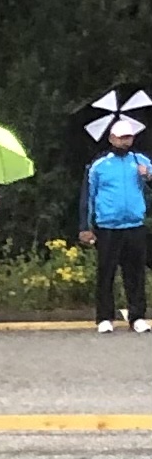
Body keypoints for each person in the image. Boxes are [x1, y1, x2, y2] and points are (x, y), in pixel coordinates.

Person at [79, 115, 150, 334]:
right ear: (111, 138)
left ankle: (137, 316)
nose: (125, 142)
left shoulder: (141, 161)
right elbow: (87, 196)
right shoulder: (99, 165)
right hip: (108, 227)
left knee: (136, 273)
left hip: (134, 225)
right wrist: (85, 226)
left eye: (128, 137)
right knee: (106, 272)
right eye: (121, 138)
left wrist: (148, 177)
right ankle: (104, 317)